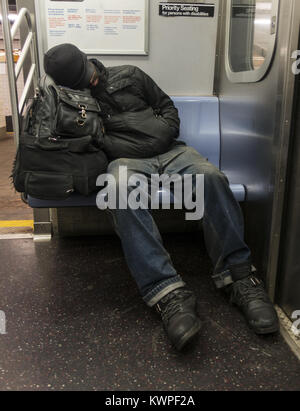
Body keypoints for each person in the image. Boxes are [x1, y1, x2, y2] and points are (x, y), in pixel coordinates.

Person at [43, 43, 279, 351]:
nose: (89, 82)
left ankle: (238, 277)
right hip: (126, 161)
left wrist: (163, 133)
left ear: (88, 61)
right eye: (79, 81)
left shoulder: (129, 75)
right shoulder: (69, 104)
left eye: (86, 75)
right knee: (118, 189)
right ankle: (166, 292)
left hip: (171, 150)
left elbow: (166, 105)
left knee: (211, 178)